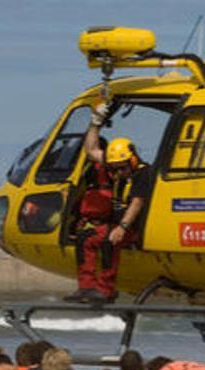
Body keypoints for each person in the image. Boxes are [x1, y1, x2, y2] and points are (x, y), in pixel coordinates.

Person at [64, 101, 154, 304]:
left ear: (132, 160)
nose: (117, 173)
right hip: (114, 224)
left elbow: (137, 202)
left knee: (109, 242)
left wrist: (122, 227)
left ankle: (106, 290)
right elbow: (91, 150)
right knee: (85, 238)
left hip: (132, 226)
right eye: (113, 169)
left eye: (121, 168)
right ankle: (86, 287)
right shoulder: (117, 168)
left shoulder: (143, 173)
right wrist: (95, 123)